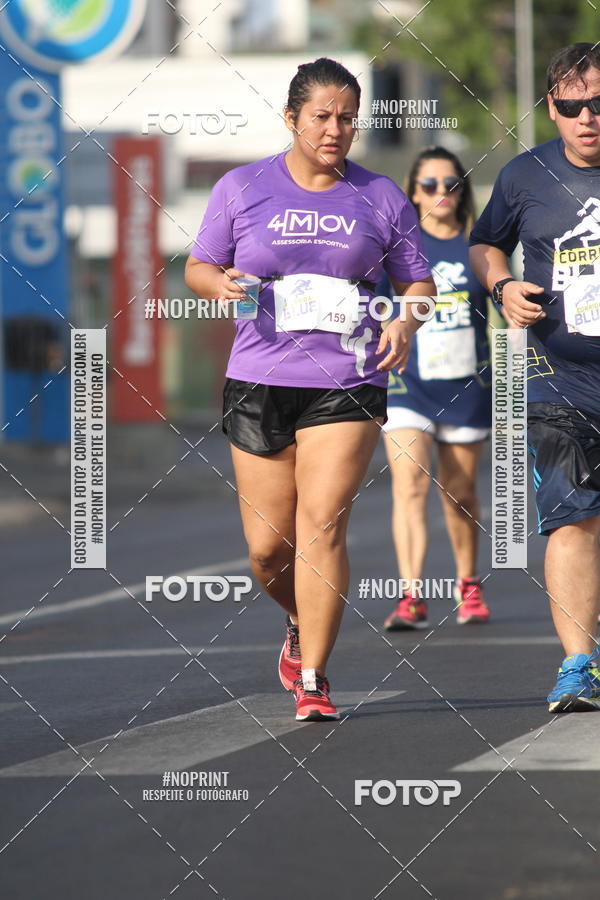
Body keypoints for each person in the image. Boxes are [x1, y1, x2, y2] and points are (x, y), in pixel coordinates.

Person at [184, 58, 434, 721]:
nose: (335, 129)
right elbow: (198, 266)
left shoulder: (380, 196)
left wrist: (406, 321)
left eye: (347, 118)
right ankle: (301, 620)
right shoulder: (242, 187)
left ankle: (316, 677)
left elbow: (419, 282)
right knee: (269, 550)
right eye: (322, 116)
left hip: (347, 379)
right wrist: (220, 285)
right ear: (292, 118)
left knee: (321, 528)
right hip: (258, 378)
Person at [469, 43, 600, 713]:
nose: (587, 118)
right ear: (551, 106)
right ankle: (578, 664)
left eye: (598, 104)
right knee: (572, 515)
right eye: (572, 106)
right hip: (559, 378)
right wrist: (502, 285)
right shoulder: (525, 176)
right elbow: (485, 242)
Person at [378, 147, 493, 631]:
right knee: (409, 485)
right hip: (408, 385)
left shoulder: (479, 246)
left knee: (461, 492)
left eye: (450, 184)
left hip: (467, 385)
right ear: (412, 191)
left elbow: (507, 311)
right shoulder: (400, 248)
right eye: (428, 184)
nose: (440, 193)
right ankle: (411, 596)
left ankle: (468, 585)